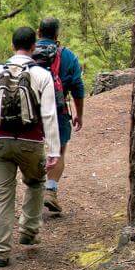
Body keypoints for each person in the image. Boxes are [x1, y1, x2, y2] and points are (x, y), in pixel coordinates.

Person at [0, 26, 61, 268]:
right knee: (35, 182)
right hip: (31, 142)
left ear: (12, 46)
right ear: (33, 47)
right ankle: (28, 230)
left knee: (2, 195)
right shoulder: (42, 75)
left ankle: (1, 252)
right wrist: (53, 151)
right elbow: (49, 115)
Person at [33, 17, 85, 215]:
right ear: (56, 35)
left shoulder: (28, 53)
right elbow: (78, 88)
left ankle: (34, 192)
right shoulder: (68, 56)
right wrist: (79, 114)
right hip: (58, 110)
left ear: (39, 32)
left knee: (33, 149)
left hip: (31, 112)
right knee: (59, 151)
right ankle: (50, 190)